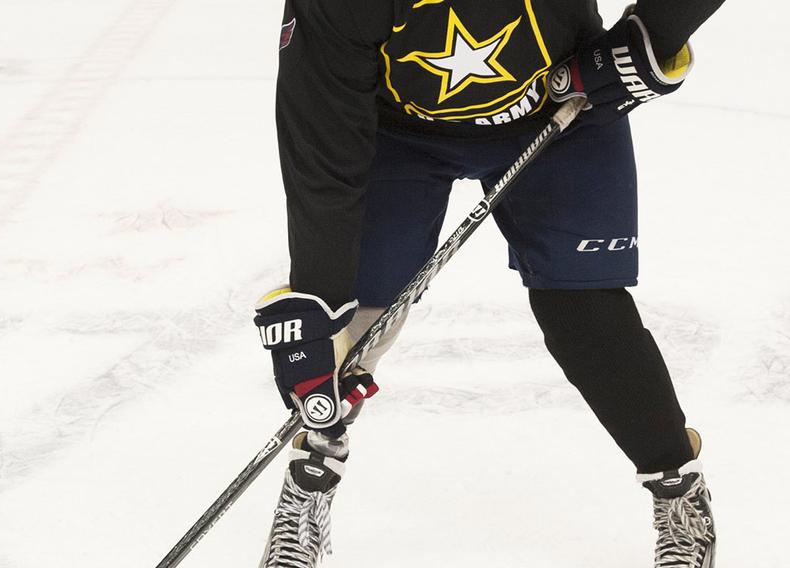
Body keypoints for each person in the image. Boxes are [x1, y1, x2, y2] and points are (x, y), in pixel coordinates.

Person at [254, 0, 723, 566]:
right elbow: (321, 130)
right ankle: (312, 475)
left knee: (586, 313)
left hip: (564, 99)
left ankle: (679, 489)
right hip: (395, 128)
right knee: (351, 320)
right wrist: (317, 297)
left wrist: (654, 34)